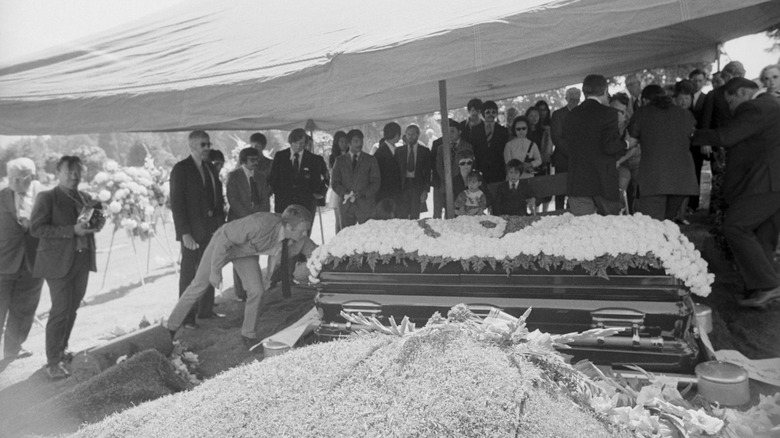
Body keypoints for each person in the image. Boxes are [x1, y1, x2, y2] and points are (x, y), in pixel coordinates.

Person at [167, 205, 314, 348]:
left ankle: (248, 335)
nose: (304, 234)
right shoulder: (260, 223)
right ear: (288, 227)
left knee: (256, 290)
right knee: (198, 285)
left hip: (244, 253)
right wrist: (215, 271)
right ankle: (170, 329)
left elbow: (314, 252)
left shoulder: (295, 238)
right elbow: (225, 238)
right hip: (223, 244)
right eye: (302, 231)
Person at [692, 78, 780, 308]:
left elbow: (727, 136)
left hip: (767, 182)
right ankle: (763, 288)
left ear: (742, 92)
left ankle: (769, 285)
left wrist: (692, 134)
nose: (730, 107)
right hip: (770, 182)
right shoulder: (771, 105)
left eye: (731, 101)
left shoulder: (757, 106)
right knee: (763, 237)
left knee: (735, 226)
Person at [30, 156, 102, 379]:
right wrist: (72, 230)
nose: (74, 176)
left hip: (81, 261)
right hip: (56, 264)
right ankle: (52, 363)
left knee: (72, 308)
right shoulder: (47, 197)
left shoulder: (86, 197)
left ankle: (62, 350)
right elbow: (36, 229)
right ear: (57, 173)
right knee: (60, 310)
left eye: (77, 171)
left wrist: (97, 223)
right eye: (69, 171)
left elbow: (96, 222)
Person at [170, 131, 226, 330]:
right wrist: (184, 232)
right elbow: (176, 203)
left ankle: (206, 310)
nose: (207, 148)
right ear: (192, 146)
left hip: (212, 229)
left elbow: (217, 197)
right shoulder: (181, 169)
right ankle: (185, 318)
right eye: (203, 145)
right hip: (192, 232)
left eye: (208, 144)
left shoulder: (210, 167)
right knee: (189, 274)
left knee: (211, 267)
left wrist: (221, 225)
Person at [626, 85, 698, 221]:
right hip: (683, 178)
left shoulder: (642, 113)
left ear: (646, 100)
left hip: (654, 178)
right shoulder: (685, 114)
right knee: (667, 222)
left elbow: (632, 141)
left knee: (653, 224)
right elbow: (692, 135)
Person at [563, 74, 627, 216]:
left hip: (578, 182)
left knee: (584, 232)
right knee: (608, 229)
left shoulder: (570, 115)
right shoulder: (609, 113)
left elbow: (567, 145)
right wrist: (626, 144)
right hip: (603, 182)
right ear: (605, 91)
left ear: (584, 92)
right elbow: (610, 146)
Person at [0, 158, 44, 362]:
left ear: (31, 177)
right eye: (12, 178)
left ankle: (12, 350)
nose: (15, 183)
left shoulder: (44, 197)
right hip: (3, 262)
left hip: (33, 263)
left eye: (20, 179)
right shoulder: (1, 197)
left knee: (24, 309)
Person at [226, 147, 271, 301]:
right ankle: (240, 292)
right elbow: (233, 200)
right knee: (240, 255)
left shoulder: (260, 176)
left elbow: (265, 197)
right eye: (252, 160)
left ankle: (253, 288)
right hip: (240, 222)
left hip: (257, 221)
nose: (256, 162)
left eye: (257, 159)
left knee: (254, 253)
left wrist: (261, 216)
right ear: (243, 160)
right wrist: (249, 218)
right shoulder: (233, 176)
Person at [268, 128, 327, 217]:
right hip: (283, 204)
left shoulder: (314, 159)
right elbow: (273, 178)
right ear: (290, 142)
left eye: (301, 143)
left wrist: (319, 193)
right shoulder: (280, 156)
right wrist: (279, 193)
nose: (298, 146)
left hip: (306, 204)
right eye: (295, 143)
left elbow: (324, 178)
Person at [331, 129, 381, 227]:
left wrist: (363, 194)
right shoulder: (339, 160)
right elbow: (335, 182)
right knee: (347, 237)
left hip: (366, 206)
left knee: (368, 235)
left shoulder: (370, 160)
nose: (360, 144)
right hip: (346, 207)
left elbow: (376, 182)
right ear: (349, 143)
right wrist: (345, 193)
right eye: (356, 141)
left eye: (361, 141)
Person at [432, 120, 474, 218]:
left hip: (462, 184)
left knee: (460, 212)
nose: (449, 134)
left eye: (452, 131)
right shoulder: (440, 147)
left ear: (459, 132)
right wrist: (447, 179)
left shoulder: (467, 146)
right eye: (447, 131)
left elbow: (469, 166)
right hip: (444, 184)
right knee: (444, 212)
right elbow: (439, 166)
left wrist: (458, 180)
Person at [550, 87, 581, 210]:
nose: (574, 102)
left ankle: (574, 212)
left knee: (576, 189)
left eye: (576, 100)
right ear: (566, 99)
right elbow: (556, 138)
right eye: (571, 99)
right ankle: (559, 214)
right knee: (560, 190)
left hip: (579, 159)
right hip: (562, 159)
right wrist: (572, 153)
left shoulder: (582, 114)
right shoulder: (558, 114)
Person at [466, 100, 509, 184]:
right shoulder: (475, 130)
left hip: (498, 169)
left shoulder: (503, 131)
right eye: (488, 112)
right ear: (483, 114)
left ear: (496, 114)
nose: (491, 114)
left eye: (493, 112)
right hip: (480, 168)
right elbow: (472, 148)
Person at [395, 124, 432, 219]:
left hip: (417, 185)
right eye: (408, 134)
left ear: (417, 135)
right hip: (403, 185)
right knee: (402, 214)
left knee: (415, 215)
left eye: (413, 134)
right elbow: (395, 171)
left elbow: (428, 172)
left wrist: (425, 190)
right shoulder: (399, 151)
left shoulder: (424, 151)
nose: (410, 136)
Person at [374, 122, 403, 207]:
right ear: (397, 134)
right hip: (386, 196)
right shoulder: (380, 153)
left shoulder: (395, 149)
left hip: (395, 195)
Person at [327, 131, 349, 233]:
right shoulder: (333, 157)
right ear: (337, 143)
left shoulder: (352, 155)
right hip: (338, 190)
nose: (344, 144)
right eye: (341, 142)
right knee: (339, 220)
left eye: (346, 141)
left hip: (350, 188)